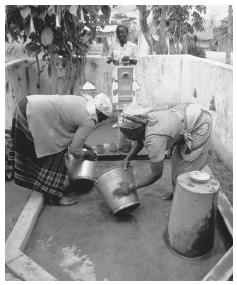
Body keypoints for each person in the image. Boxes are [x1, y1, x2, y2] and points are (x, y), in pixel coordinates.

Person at [9, 93, 112, 206]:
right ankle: (54, 197)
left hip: (26, 104)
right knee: (57, 152)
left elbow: (71, 128)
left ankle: (42, 183)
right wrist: (86, 155)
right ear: (99, 112)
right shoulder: (90, 121)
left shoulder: (85, 103)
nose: (102, 121)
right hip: (33, 113)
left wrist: (84, 146)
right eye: (104, 118)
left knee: (43, 147)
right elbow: (74, 150)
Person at [114, 102, 213, 200]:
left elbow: (156, 174)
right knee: (176, 161)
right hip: (185, 118)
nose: (126, 137)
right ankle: (177, 193)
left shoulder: (154, 139)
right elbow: (139, 142)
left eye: (127, 134)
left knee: (188, 164)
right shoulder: (142, 121)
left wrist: (131, 187)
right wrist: (128, 158)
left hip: (200, 121)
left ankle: (185, 200)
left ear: (134, 131)